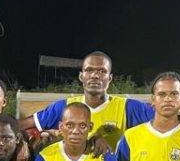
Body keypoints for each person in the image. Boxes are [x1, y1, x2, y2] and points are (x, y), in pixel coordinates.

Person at [20, 51, 157, 152]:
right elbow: (21, 124)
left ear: (109, 78)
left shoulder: (128, 107)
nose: (95, 75)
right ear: (81, 76)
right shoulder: (65, 107)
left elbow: (167, 123)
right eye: (89, 70)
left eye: (102, 71)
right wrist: (23, 142)